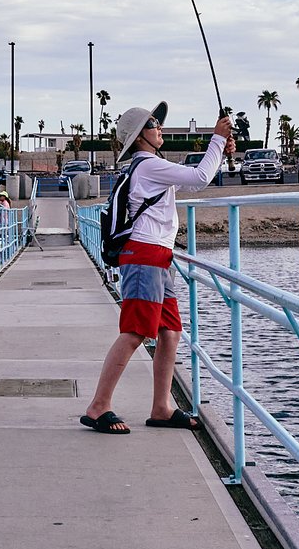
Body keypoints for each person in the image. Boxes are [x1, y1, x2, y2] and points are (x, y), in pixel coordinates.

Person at [80, 101, 234, 435]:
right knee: (136, 331)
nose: (159, 127)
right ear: (139, 137)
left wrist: (221, 148)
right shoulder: (147, 165)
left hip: (158, 257)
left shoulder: (152, 166)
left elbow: (193, 182)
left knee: (170, 332)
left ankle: (162, 407)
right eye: (153, 124)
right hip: (144, 255)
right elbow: (200, 176)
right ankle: (98, 406)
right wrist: (217, 139)